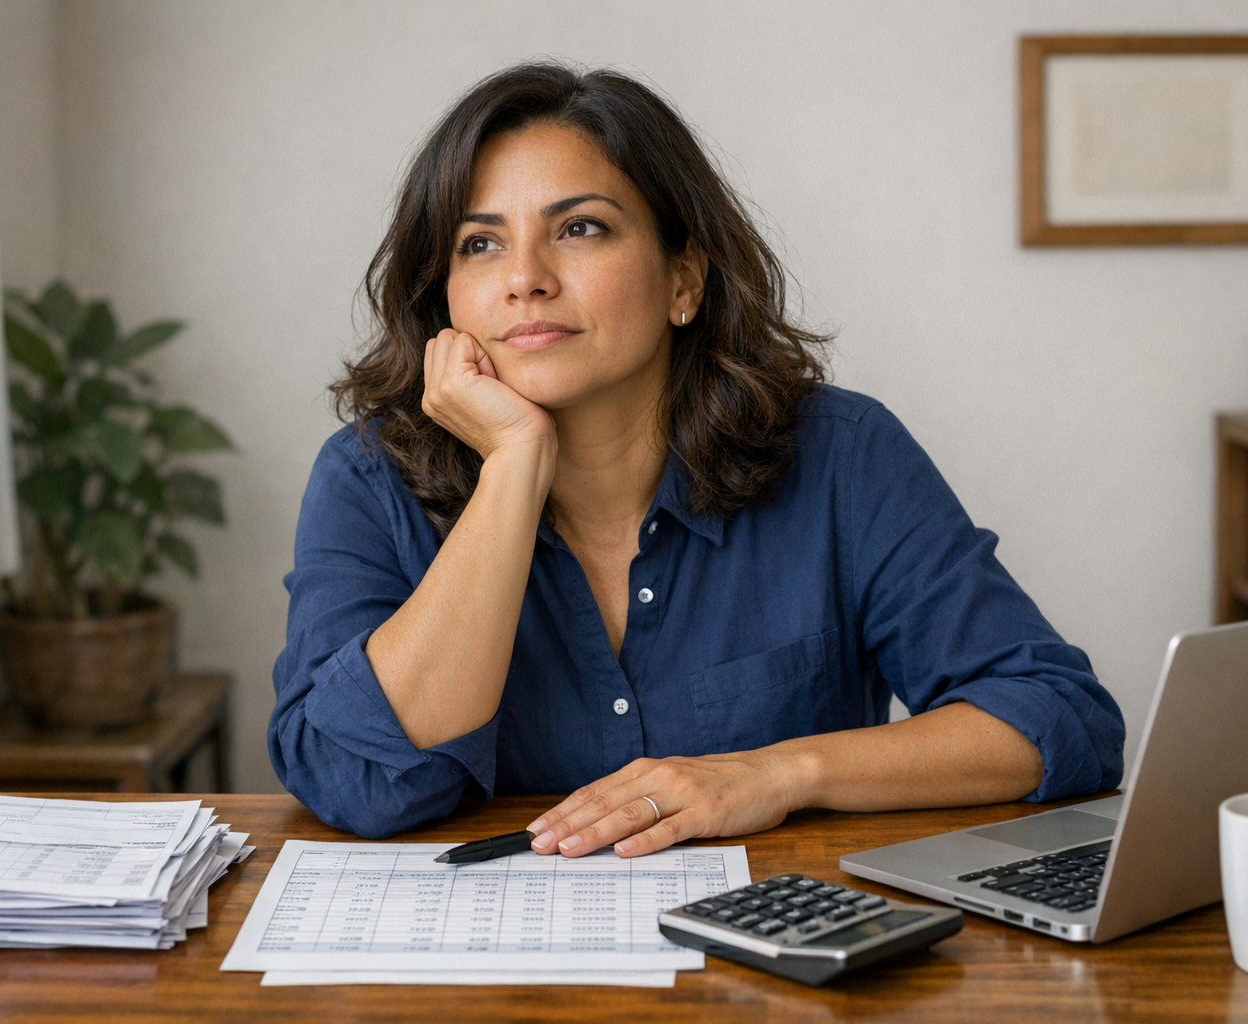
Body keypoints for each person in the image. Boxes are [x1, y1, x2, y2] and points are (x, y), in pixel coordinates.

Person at [270, 62, 1124, 859]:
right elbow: (357, 780)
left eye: (580, 228)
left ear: (684, 280)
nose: (524, 277)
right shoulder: (367, 478)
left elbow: (1059, 719)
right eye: (480, 244)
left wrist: (782, 772)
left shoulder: (842, 458)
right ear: (444, 294)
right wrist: (515, 465)